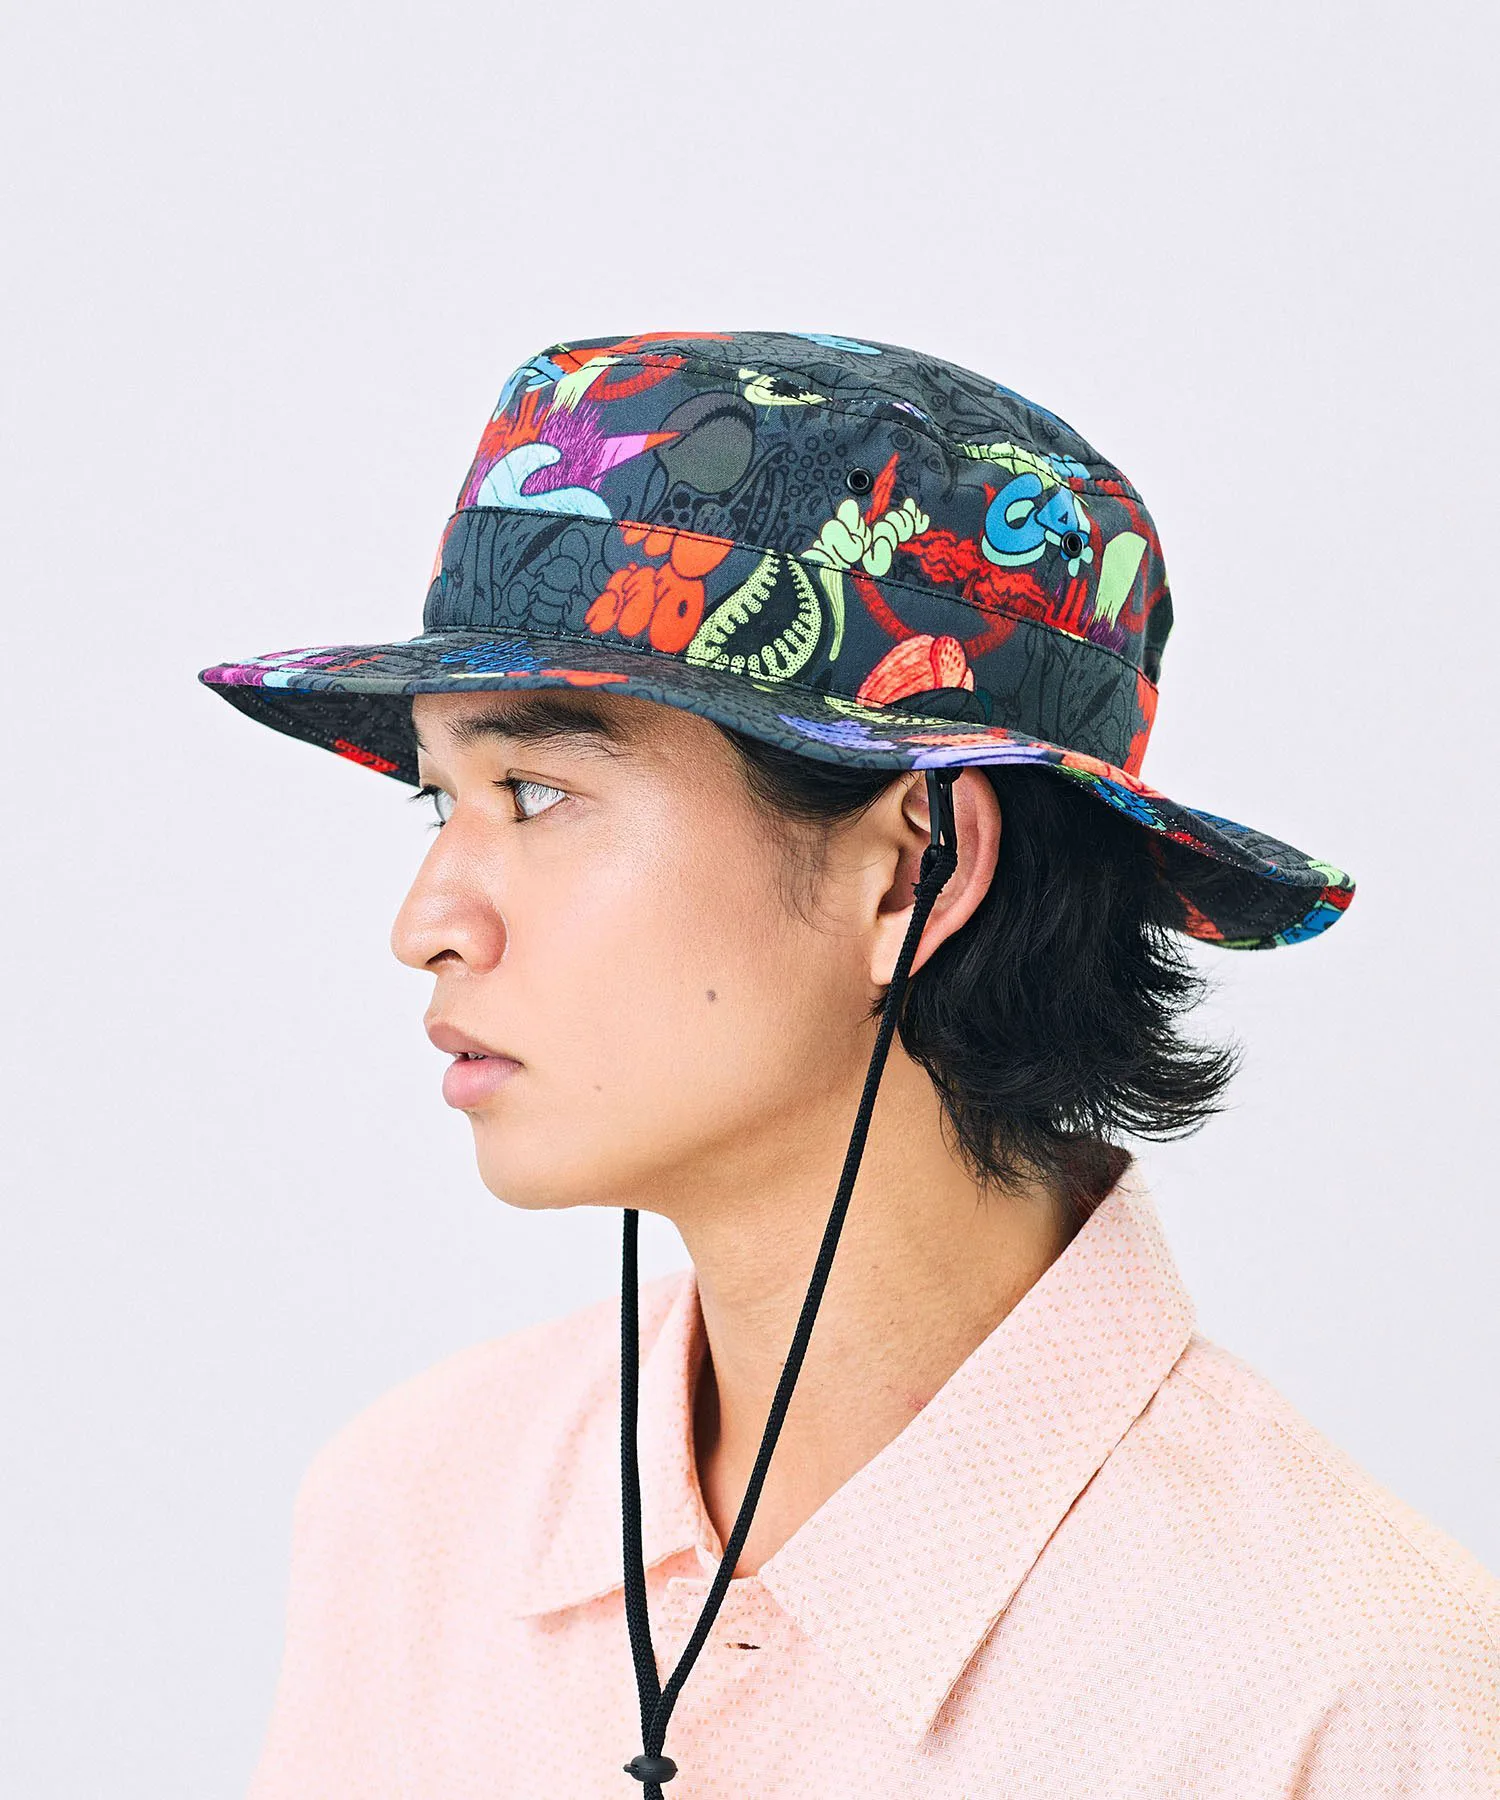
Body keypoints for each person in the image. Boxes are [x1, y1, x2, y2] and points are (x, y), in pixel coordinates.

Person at [199, 331, 1499, 1797]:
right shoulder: (417, 1515)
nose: (427, 924)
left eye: (539, 791)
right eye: (441, 802)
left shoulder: (1329, 1690)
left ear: (911, 873)